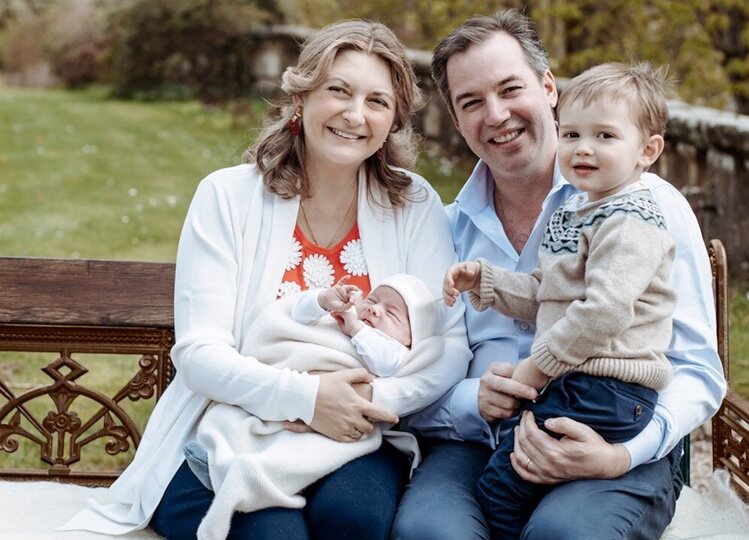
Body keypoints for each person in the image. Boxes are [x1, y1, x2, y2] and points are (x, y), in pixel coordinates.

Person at [61, 19, 469, 540]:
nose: (354, 114)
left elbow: (448, 344)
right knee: (274, 535)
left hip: (355, 436)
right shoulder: (227, 197)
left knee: (356, 520)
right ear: (301, 99)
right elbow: (199, 352)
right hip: (223, 429)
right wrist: (303, 398)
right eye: (337, 90)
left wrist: (360, 401)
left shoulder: (413, 204)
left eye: (377, 101)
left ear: (393, 120)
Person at [394, 10, 727, 540]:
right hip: (479, 441)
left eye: (510, 89)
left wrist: (620, 456)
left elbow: (698, 370)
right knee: (431, 534)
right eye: (472, 102)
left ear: (549, 87)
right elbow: (410, 376)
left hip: (611, 433)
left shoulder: (646, 208)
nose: (497, 114)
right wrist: (470, 400)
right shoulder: (445, 228)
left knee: (563, 535)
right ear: (456, 121)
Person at [442, 61, 678, 539]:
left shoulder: (632, 219)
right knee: (514, 466)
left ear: (647, 151)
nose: (582, 149)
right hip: (582, 384)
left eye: (605, 137)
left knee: (502, 487)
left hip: (609, 387)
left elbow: (605, 311)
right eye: (570, 135)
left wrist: (536, 366)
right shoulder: (579, 209)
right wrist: (485, 281)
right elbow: (548, 294)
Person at [186, 274, 443, 540]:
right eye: (373, 300)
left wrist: (357, 329)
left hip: (338, 421)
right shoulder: (343, 318)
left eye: (391, 313)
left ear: (410, 339)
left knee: (300, 454)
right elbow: (296, 314)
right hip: (282, 384)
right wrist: (322, 300)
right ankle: (221, 459)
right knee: (250, 425)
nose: (375, 309)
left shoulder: (395, 351)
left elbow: (387, 363)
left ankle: (248, 475)